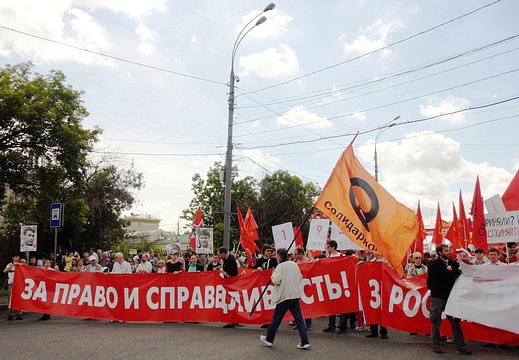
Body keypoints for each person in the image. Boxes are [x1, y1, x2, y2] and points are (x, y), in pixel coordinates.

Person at [260, 248, 311, 350]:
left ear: (280, 256)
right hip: (295, 295)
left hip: (284, 296)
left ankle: (269, 339)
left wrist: (273, 274)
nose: (276, 257)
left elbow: (275, 280)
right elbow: (300, 277)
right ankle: (305, 341)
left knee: (276, 319)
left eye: (277, 255)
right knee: (299, 319)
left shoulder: (280, 266)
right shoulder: (294, 264)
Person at [427, 244, 471, 355]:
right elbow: (438, 277)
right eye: (446, 251)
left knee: (455, 322)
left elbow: (459, 271)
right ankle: (436, 345)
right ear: (440, 252)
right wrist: (450, 272)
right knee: (436, 321)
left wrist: (452, 271)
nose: (448, 252)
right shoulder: (434, 264)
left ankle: (461, 346)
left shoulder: (452, 263)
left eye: (449, 250)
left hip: (451, 297)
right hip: (437, 297)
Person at [323, 240, 348, 334]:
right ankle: (331, 325)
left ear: (333, 247)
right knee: (331, 305)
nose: (327, 248)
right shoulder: (328, 257)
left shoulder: (341, 256)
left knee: (342, 306)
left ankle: (342, 326)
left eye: (328, 246)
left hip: (341, 283)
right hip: (331, 283)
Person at [218, 247, 239, 328]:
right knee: (233, 302)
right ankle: (235, 320)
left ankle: (231, 321)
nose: (218, 255)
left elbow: (230, 276)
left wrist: (222, 271)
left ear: (223, 253)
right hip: (230, 285)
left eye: (219, 254)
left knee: (230, 302)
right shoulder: (226, 260)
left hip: (232, 284)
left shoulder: (231, 261)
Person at [4, 255, 23, 320]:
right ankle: (10, 314)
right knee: (10, 299)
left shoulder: (21, 264)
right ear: (12, 258)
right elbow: (5, 271)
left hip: (19, 284)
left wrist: (19, 264)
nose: (17, 258)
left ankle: (19, 314)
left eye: (18, 257)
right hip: (11, 284)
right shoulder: (9, 264)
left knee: (19, 299)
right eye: (15, 257)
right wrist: (12, 265)